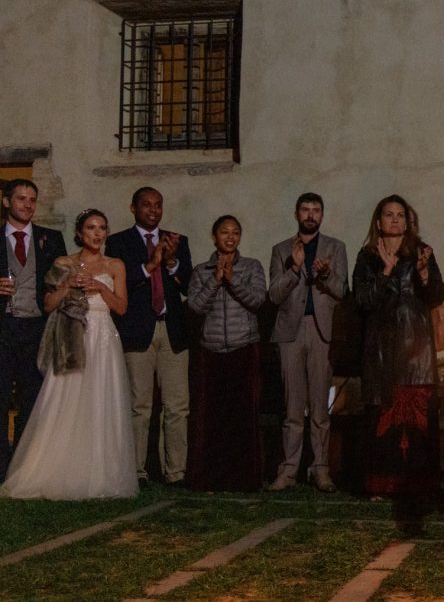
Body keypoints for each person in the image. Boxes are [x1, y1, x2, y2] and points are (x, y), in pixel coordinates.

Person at [1, 209, 136, 499]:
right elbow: (48, 304)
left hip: (103, 336)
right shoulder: (64, 262)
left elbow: (122, 307)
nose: (97, 233)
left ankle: (99, 471)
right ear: (80, 233)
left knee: (101, 401)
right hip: (71, 337)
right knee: (65, 401)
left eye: (102, 228)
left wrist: (99, 286)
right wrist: (68, 285)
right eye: (90, 228)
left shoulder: (115, 265)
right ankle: (58, 468)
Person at [353, 195, 444, 496]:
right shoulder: (367, 256)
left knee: (417, 425)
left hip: (416, 351)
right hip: (381, 351)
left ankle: (418, 487)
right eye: (388, 214)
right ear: (378, 221)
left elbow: (436, 296)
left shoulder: (421, 252)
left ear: (408, 221)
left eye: (400, 215)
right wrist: (385, 271)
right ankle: (381, 485)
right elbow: (363, 301)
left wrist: (422, 273)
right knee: (382, 422)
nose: (394, 219)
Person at [106, 187, 192, 486]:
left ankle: (176, 471)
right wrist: (150, 265)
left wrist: (170, 262)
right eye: (147, 205)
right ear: (133, 208)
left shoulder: (177, 241)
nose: (153, 210)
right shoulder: (118, 242)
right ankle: (137, 471)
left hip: (172, 330)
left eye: (158, 205)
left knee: (177, 405)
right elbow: (121, 282)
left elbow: (188, 285)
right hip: (138, 330)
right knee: (139, 406)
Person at [267, 193, 347, 492]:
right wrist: (295, 268)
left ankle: (320, 469)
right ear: (296, 214)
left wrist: (325, 275)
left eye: (316, 210)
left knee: (319, 407)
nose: (310, 215)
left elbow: (342, 290)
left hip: (322, 331)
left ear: (322, 215)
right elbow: (274, 294)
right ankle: (288, 470)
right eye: (305, 210)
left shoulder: (335, 247)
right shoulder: (281, 250)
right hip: (290, 331)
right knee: (292, 406)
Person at [186, 215, 266, 492]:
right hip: (212, 350)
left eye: (235, 233)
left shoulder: (252, 267)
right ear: (214, 236)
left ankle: (244, 479)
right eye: (224, 232)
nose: (230, 237)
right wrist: (215, 279)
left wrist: (232, 280)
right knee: (212, 418)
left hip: (244, 348)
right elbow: (195, 307)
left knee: (242, 416)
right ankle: (211, 478)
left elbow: (257, 301)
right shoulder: (200, 270)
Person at [0, 179, 67, 483]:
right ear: (6, 202)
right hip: (3, 328)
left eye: (32, 200)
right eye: (21, 199)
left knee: (32, 398)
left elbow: (60, 281)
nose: (27, 205)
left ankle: (23, 466)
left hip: (36, 327)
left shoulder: (50, 238)